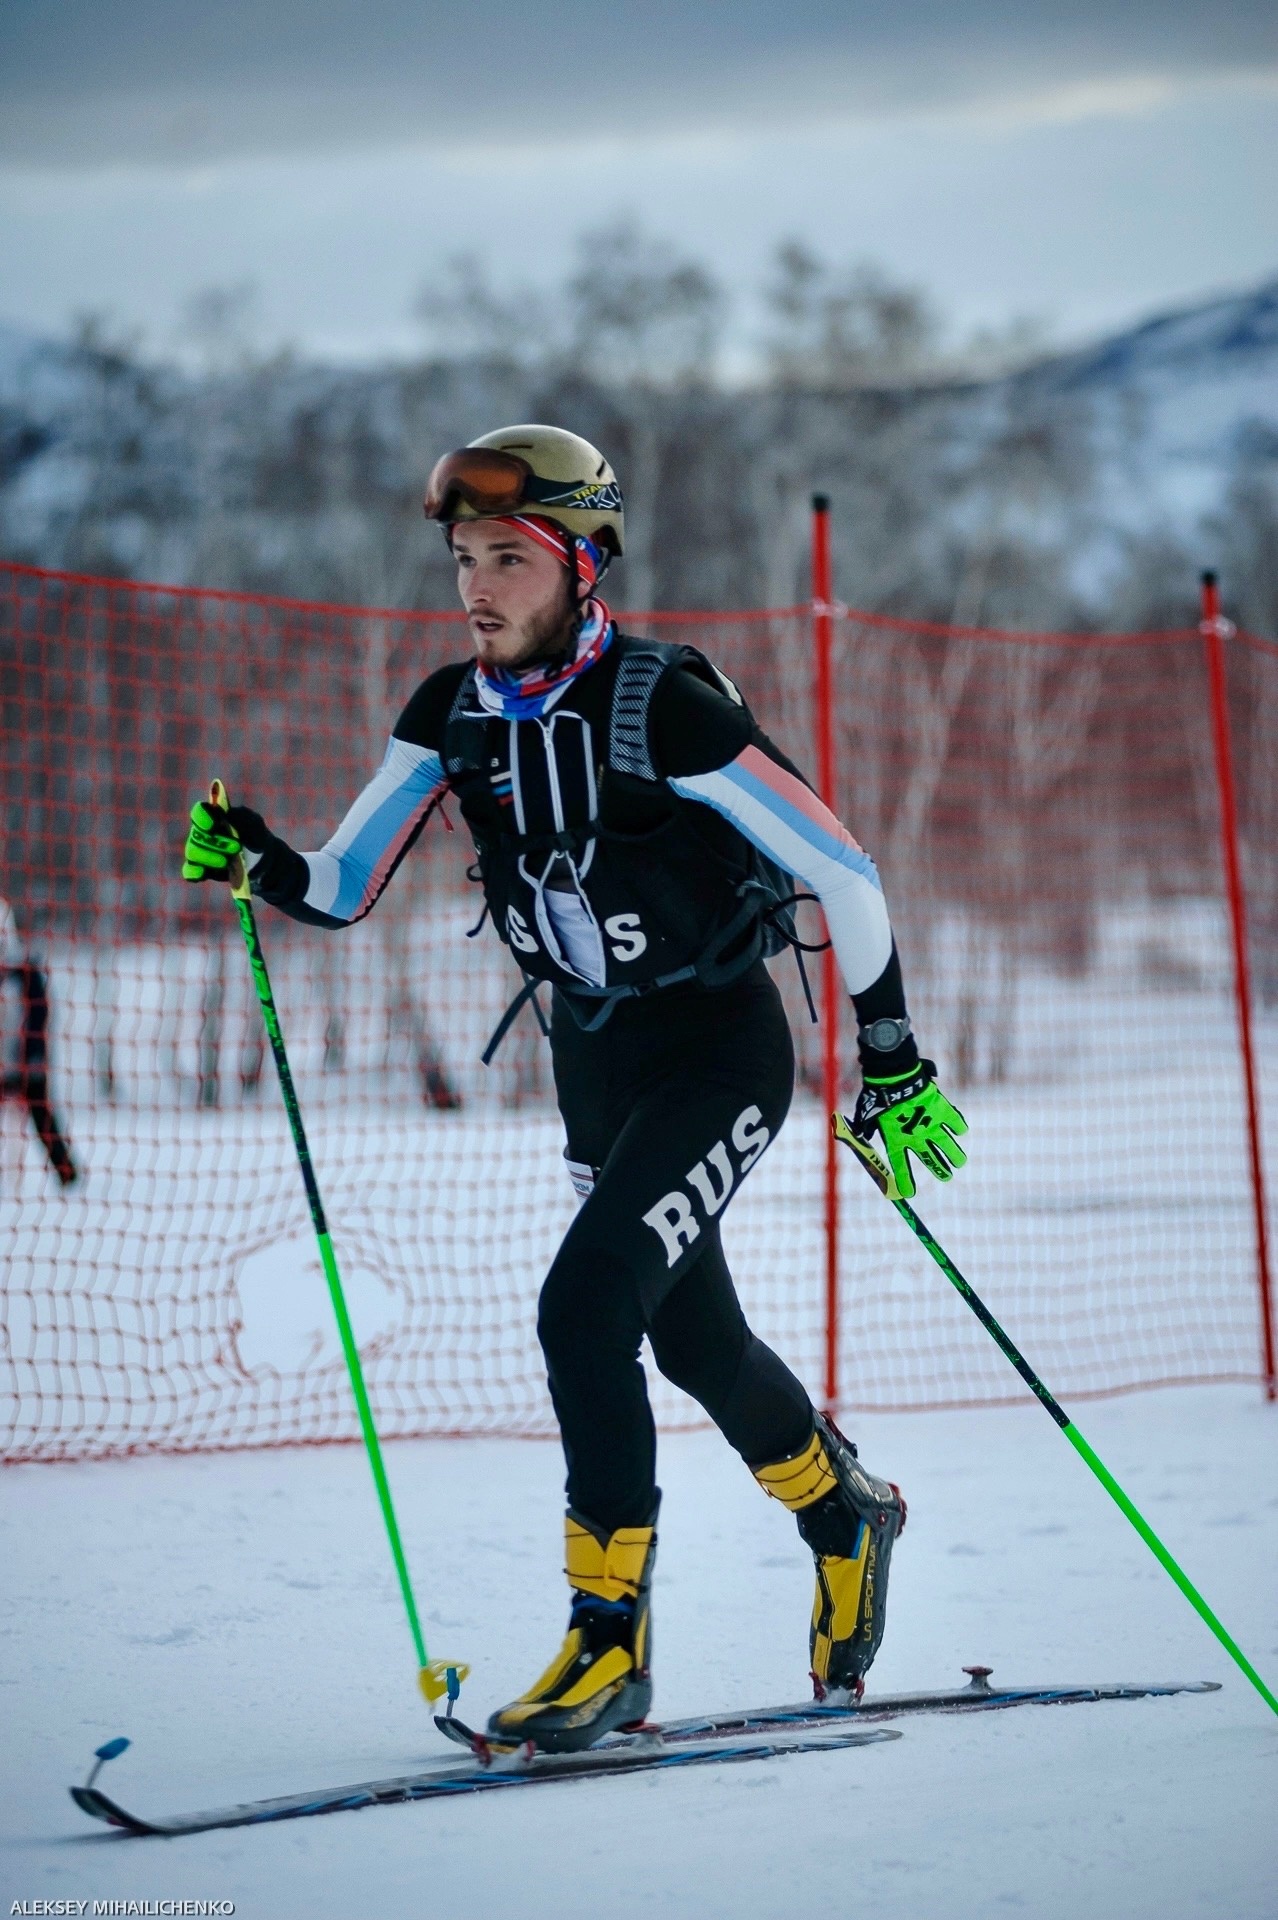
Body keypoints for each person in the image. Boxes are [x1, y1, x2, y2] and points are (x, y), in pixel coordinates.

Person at [182, 425, 967, 1750]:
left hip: (717, 1054)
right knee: (689, 1339)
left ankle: (608, 1649)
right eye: (460, 559)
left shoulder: (663, 704)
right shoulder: (450, 712)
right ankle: (846, 1511)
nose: (475, 586)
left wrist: (887, 1063)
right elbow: (342, 885)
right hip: (593, 1065)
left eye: (506, 557)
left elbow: (845, 874)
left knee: (584, 1307)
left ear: (580, 564)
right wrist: (259, 861)